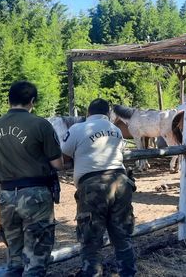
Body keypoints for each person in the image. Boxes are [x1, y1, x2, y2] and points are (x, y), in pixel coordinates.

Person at [0, 81, 63, 276]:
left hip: (6, 196)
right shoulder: (40, 124)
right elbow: (57, 164)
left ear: (8, 100)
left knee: (14, 258)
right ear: (32, 101)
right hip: (35, 196)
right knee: (36, 258)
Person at [61, 98, 137, 277]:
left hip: (93, 186)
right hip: (120, 181)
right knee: (122, 238)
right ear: (108, 114)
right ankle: (128, 273)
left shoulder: (77, 129)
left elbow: (63, 157)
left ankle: (92, 273)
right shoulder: (116, 130)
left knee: (91, 240)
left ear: (88, 112)